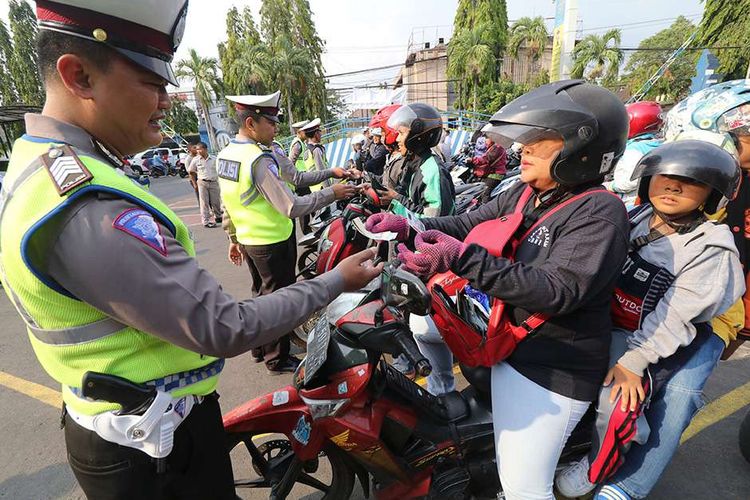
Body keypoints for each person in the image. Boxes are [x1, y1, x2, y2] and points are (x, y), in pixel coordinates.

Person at [0, 2, 382, 498]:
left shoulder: (40, 165)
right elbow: (225, 326)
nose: (165, 102)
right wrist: (336, 281)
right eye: (153, 86)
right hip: (155, 448)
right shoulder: (87, 203)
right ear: (80, 76)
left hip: (129, 419)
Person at [368, 80, 631, 499]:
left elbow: (556, 290)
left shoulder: (601, 212)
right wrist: (412, 225)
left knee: (524, 488)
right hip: (504, 339)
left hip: (551, 369)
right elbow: (470, 223)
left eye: (540, 140)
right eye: (526, 140)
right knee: (423, 328)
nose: (523, 149)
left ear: (582, 149)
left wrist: (459, 259)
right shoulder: (529, 192)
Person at [573, 80, 750, 500]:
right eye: (665, 178)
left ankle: (628, 485)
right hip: (636, 314)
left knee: (680, 393)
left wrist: (635, 359)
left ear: (713, 189)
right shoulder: (636, 218)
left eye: (690, 181)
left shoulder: (711, 243)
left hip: (704, 316)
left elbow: (678, 313)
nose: (673, 186)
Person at [218, 94, 358, 375]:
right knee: (280, 301)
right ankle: (276, 358)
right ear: (251, 122)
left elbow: (228, 202)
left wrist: (232, 237)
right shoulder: (257, 160)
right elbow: (291, 205)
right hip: (272, 242)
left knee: (260, 294)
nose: (275, 128)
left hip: (249, 240)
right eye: (270, 123)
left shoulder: (227, 155)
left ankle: (259, 348)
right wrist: (334, 192)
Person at [375, 103, 456, 218]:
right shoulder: (412, 164)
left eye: (402, 133)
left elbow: (434, 219)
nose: (397, 139)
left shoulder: (432, 171)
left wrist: (396, 200)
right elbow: (405, 196)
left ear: (417, 137)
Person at [604, 101, 663, 208]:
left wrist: (609, 186)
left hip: (630, 201)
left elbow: (629, 181)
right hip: (648, 198)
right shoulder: (655, 143)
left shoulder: (634, 150)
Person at [190, 141, 222, 228]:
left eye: (200, 149)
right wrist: (194, 184)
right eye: (197, 150)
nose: (198, 151)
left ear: (205, 149)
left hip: (213, 182)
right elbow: (191, 171)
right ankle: (206, 221)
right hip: (202, 182)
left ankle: (218, 216)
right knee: (204, 202)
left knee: (216, 201)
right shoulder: (196, 160)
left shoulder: (214, 159)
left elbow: (220, 170)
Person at [468, 134, 508, 202]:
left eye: (487, 138)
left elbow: (486, 159)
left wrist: (473, 160)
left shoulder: (498, 147)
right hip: (492, 172)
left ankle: (484, 208)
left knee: (485, 193)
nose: (485, 141)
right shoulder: (493, 147)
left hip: (495, 174)